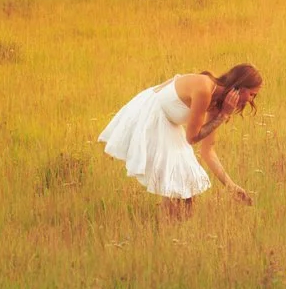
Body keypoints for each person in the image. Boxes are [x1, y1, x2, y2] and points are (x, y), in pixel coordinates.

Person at [97, 64, 261, 216]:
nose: (251, 100)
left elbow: (207, 151)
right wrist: (223, 115)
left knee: (186, 192)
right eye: (252, 94)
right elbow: (192, 138)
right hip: (153, 114)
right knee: (181, 190)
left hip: (170, 122)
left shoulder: (217, 102)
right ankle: (164, 227)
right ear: (239, 87)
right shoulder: (205, 89)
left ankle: (168, 229)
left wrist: (230, 185)